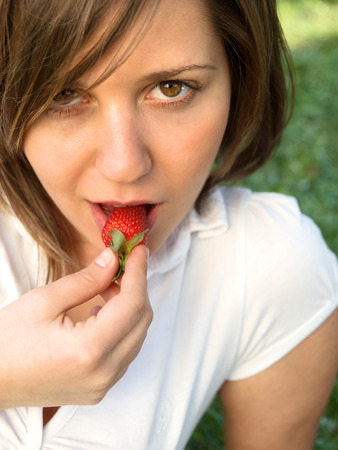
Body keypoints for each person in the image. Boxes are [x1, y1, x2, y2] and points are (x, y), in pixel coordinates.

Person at [0, 0, 337, 448]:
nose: (124, 165)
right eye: (65, 94)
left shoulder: (268, 269)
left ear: (240, 76)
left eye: (172, 88)